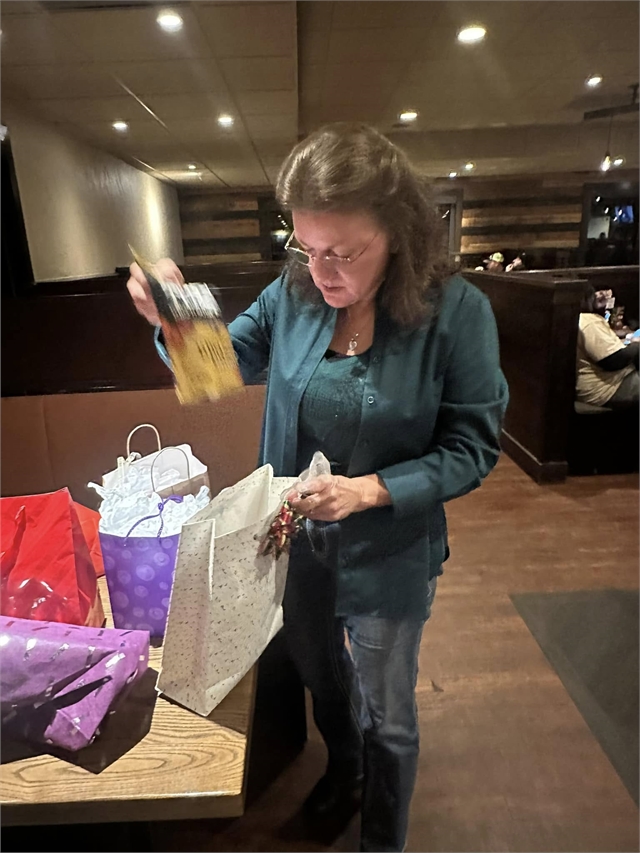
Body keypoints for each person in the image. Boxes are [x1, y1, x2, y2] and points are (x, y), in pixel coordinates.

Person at [127, 122, 508, 853]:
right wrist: (172, 316)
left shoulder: (457, 314)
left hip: (389, 550)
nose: (321, 269)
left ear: (397, 233)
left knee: (388, 711)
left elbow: (472, 447)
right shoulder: (295, 291)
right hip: (294, 540)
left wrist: (369, 490)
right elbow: (221, 365)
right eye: (306, 245)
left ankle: (382, 836)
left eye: (343, 252)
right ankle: (347, 768)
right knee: (321, 675)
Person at [577, 286, 639, 409]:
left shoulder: (583, 318)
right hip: (607, 388)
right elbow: (613, 361)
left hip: (610, 382)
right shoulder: (589, 321)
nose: (600, 296)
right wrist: (636, 345)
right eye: (595, 294)